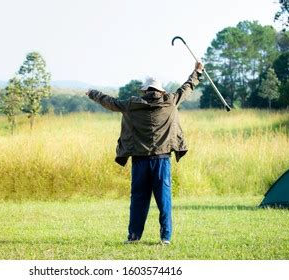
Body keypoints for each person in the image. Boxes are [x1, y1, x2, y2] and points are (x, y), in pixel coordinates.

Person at [86, 62, 204, 245]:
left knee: (138, 200)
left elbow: (109, 102)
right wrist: (197, 72)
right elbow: (187, 88)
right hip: (162, 160)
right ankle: (165, 238)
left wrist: (92, 93)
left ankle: (133, 237)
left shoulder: (131, 105)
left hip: (140, 161)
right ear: (160, 90)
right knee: (164, 200)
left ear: (145, 90)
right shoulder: (171, 101)